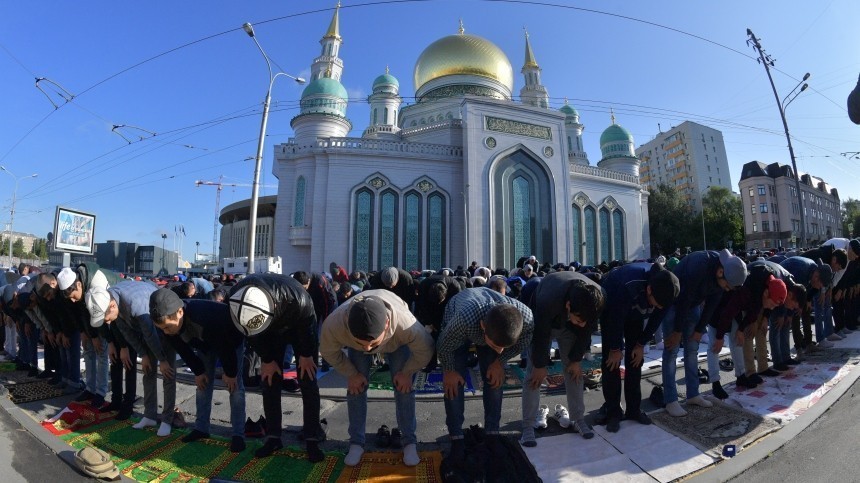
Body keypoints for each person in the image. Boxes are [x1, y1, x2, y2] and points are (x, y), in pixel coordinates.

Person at [320, 289, 433, 467]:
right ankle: (356, 442)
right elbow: (328, 351)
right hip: (361, 339)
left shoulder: (405, 324)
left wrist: (407, 372)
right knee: (356, 387)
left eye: (373, 344)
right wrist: (352, 373)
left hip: (395, 342)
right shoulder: (335, 324)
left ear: (387, 324)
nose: (368, 349)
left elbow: (425, 349)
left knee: (404, 387)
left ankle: (409, 442)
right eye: (362, 344)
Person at [228, 273, 325, 461]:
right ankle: (273, 437)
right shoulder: (235, 298)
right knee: (269, 380)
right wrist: (267, 358)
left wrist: (306, 354)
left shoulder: (299, 300)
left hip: (299, 325)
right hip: (266, 333)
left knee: (308, 379)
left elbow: (308, 328)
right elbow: (251, 334)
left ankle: (312, 437)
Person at [438, 287, 534, 460]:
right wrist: (449, 370)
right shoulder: (463, 319)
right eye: (497, 345)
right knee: (453, 384)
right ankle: (457, 437)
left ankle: (492, 433)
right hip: (459, 323)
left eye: (504, 346)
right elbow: (444, 346)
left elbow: (520, 345)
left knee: (494, 379)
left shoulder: (526, 319)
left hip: (491, 325)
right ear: (483, 327)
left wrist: (500, 361)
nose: (500, 350)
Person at [149, 289, 247, 452]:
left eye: (167, 327)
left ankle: (238, 434)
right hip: (204, 345)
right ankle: (201, 428)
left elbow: (226, 346)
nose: (165, 332)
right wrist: (198, 371)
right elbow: (183, 349)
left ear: (179, 312)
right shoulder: (167, 323)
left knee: (235, 388)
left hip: (230, 340)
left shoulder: (203, 316)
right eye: (161, 328)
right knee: (202, 385)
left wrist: (230, 373)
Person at [519, 272, 605, 446]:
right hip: (542, 323)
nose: (582, 324)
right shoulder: (548, 299)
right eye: (579, 319)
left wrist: (575, 359)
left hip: (568, 329)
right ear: (568, 306)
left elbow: (586, 329)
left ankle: (578, 419)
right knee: (533, 376)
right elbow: (540, 333)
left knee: (574, 372)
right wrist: (540, 364)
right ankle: (528, 426)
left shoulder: (597, 300)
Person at [662, 249, 747, 417]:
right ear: (720, 272)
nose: (728, 289)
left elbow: (712, 304)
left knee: (692, 350)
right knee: (671, 351)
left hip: (693, 305)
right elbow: (684, 299)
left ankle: (693, 394)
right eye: (728, 285)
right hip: (674, 303)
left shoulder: (724, 273)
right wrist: (678, 331)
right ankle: (670, 400)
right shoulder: (699, 266)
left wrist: (700, 329)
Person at [87, 280, 176, 436]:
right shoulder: (112, 298)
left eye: (106, 318)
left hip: (164, 328)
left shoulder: (135, 304)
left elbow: (151, 333)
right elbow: (127, 333)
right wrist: (143, 354)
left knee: (167, 373)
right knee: (148, 371)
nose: (107, 322)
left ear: (112, 306)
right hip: (146, 331)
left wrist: (161, 359)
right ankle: (150, 415)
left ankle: (167, 420)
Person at [598, 263, 679, 432]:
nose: (657, 308)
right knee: (611, 362)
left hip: (635, 314)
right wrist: (615, 348)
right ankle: (613, 412)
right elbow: (615, 318)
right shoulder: (627, 284)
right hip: (612, 309)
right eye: (655, 304)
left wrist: (641, 344)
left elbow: (656, 319)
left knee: (635, 359)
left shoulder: (666, 293)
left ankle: (633, 409)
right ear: (649, 290)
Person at [57, 264, 119, 406]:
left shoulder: (97, 283)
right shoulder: (78, 288)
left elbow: (102, 313)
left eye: (73, 296)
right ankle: (90, 389)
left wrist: (99, 337)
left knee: (101, 352)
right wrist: (84, 332)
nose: (72, 300)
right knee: (88, 350)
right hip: (92, 318)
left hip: (108, 313)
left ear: (78, 285)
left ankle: (101, 393)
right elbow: (80, 312)